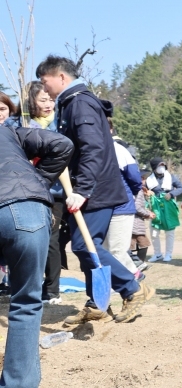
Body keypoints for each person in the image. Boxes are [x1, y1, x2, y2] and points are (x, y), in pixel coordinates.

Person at [38, 55, 153, 325]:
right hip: (87, 189)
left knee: (84, 246)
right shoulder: (71, 103)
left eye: (45, 82)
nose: (45, 89)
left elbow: (93, 148)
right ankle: (97, 303)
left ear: (61, 77)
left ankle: (133, 288)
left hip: (95, 190)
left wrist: (84, 189)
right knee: (86, 246)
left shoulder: (79, 103)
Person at [0, 124, 73, 388]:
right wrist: (38, 181)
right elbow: (62, 145)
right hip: (26, 208)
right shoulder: (10, 132)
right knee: (25, 301)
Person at [24, 81, 66, 304]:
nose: (48, 104)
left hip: (56, 192)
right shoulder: (26, 127)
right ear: (32, 102)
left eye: (50, 99)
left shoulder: (59, 126)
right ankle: (30, 283)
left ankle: (52, 289)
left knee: (51, 239)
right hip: (31, 191)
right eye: (43, 100)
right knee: (31, 239)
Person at [107, 133, 143, 274]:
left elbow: (135, 179)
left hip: (121, 207)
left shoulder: (119, 150)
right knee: (106, 250)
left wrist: (130, 195)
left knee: (117, 249)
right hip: (102, 209)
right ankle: (130, 275)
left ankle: (131, 276)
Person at [146, 157, 182, 262]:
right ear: (154, 168)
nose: (161, 168)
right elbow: (143, 190)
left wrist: (171, 194)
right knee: (154, 232)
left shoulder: (171, 177)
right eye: (159, 166)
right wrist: (148, 193)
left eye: (163, 165)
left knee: (169, 232)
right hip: (155, 207)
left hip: (169, 206)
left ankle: (168, 254)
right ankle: (157, 254)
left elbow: (181, 188)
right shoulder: (149, 180)